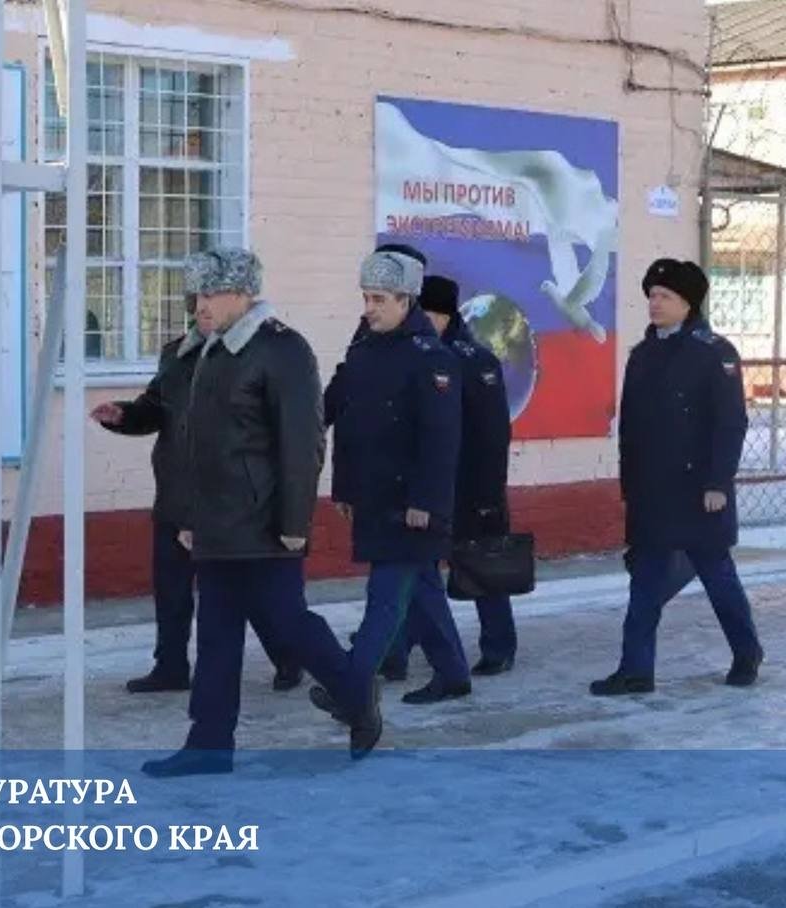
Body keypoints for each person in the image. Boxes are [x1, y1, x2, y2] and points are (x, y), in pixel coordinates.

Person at [142, 248, 382, 778]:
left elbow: (303, 443)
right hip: (214, 524)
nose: (200, 305)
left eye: (211, 294)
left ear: (242, 293)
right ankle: (208, 745)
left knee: (287, 623)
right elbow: (196, 448)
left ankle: (354, 692)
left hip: (264, 523)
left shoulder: (281, 350)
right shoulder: (207, 353)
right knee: (216, 637)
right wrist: (190, 518)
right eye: (197, 295)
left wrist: (295, 524)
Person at [91, 293, 302, 694]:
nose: (205, 314)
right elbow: (155, 407)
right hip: (176, 495)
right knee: (171, 590)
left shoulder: (255, 354)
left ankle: (288, 657)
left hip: (227, 500)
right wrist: (124, 415)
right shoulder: (177, 354)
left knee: (248, 591)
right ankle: (170, 666)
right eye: (198, 306)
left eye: (211, 304)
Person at [591, 258, 764, 696]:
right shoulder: (642, 355)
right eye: (652, 295)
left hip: (698, 490)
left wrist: (718, 483)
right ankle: (635, 670)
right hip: (653, 492)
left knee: (717, 577)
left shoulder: (714, 353)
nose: (655, 303)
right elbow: (631, 428)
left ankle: (746, 652)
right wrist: (630, 485)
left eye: (665, 296)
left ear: (688, 303)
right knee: (644, 583)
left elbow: (730, 423)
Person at [315, 248, 472, 710]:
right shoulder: (364, 349)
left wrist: (426, 500)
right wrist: (345, 487)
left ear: (406, 301)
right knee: (422, 591)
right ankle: (453, 674)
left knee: (384, 599)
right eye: (366, 297)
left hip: (409, 504)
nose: (369, 308)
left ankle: (352, 688)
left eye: (379, 299)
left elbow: (440, 438)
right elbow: (349, 424)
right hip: (373, 495)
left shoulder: (432, 357)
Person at [390, 274, 517, 676]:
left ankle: (499, 646)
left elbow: (494, 434)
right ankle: (396, 647)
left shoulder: (475, 361)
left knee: (481, 566)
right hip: (427, 484)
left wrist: (489, 493)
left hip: (469, 483)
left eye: (424, 314)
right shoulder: (413, 355)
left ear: (442, 316)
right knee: (416, 570)